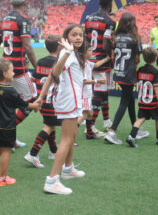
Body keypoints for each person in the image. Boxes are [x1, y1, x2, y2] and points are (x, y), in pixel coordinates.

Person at [0, 59, 40, 186]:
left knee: (1, 145)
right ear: (4, 74)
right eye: (12, 71)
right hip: (8, 127)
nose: (14, 73)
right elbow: (23, 104)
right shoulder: (11, 91)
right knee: (6, 150)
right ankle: (2, 178)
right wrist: (35, 105)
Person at [41, 24, 86, 195]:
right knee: (67, 138)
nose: (78, 38)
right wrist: (66, 52)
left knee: (72, 134)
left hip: (72, 99)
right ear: (66, 37)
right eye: (74, 34)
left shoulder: (74, 53)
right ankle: (52, 180)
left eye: (80, 35)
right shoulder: (67, 53)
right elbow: (56, 72)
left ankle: (68, 169)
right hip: (69, 101)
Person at [0, 0, 38, 130]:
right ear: (25, 3)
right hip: (18, 68)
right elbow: (28, 47)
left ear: (11, 3)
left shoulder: (5, 20)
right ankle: (9, 130)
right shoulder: (23, 20)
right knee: (31, 100)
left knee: (12, 101)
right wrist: (37, 67)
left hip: (5, 67)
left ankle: (9, 135)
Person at [104, 12, 149, 145]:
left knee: (130, 100)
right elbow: (137, 59)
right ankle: (112, 131)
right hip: (129, 73)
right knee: (124, 101)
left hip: (118, 72)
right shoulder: (135, 37)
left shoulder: (116, 37)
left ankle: (136, 128)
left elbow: (112, 56)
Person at [24, 35, 61, 168]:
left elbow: (34, 78)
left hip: (41, 98)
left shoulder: (40, 61)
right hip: (53, 100)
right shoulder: (59, 62)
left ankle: (53, 151)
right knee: (49, 126)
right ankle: (33, 153)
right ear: (59, 47)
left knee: (50, 124)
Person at [126, 47, 158, 148]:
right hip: (152, 101)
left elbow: (137, 81)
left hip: (142, 101)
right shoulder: (155, 71)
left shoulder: (140, 70)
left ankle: (131, 136)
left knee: (141, 119)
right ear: (155, 58)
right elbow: (156, 87)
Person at [84, 0, 117, 131]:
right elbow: (105, 44)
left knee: (102, 92)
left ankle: (106, 120)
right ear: (110, 4)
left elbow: (86, 40)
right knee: (99, 93)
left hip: (90, 59)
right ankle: (90, 126)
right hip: (102, 62)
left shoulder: (88, 18)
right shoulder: (109, 21)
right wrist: (110, 56)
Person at [80, 42, 110, 140]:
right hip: (84, 94)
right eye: (89, 50)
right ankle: (71, 137)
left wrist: (107, 58)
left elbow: (96, 65)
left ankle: (89, 134)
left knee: (90, 114)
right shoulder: (83, 65)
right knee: (85, 115)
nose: (92, 52)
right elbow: (84, 81)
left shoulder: (87, 63)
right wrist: (97, 81)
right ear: (83, 52)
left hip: (87, 94)